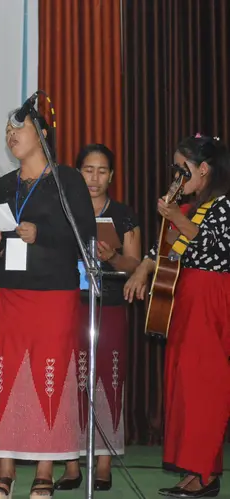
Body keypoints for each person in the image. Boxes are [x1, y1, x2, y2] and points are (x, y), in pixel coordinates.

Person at [0, 113, 96, 498]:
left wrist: (41, 232)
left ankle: (45, 469)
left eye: (19, 129)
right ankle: (6, 469)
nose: (11, 135)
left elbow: (86, 232)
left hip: (54, 293)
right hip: (10, 292)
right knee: (7, 375)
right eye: (7, 131)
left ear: (43, 134)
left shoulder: (67, 180)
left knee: (51, 374)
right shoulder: (4, 185)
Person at [124, 134, 230, 498]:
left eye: (182, 170)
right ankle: (193, 469)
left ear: (204, 169)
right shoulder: (190, 206)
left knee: (205, 387)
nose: (176, 178)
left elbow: (212, 245)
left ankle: (206, 474)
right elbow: (163, 248)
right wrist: (143, 269)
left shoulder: (222, 205)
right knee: (184, 385)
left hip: (210, 300)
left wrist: (174, 217)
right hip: (185, 300)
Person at [54, 144, 142, 491]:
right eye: (88, 170)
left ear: (112, 176)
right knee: (71, 379)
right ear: (78, 173)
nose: (94, 178)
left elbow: (134, 264)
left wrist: (113, 256)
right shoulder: (64, 210)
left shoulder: (122, 214)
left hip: (110, 304)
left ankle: (104, 463)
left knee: (109, 377)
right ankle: (71, 464)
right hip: (69, 304)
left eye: (102, 171)